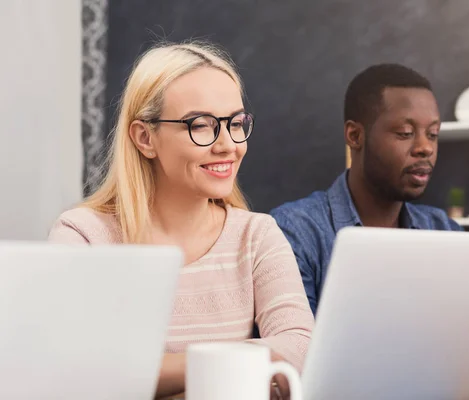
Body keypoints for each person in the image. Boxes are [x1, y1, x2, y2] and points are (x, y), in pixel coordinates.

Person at [48, 41, 314, 399]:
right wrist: (227, 368)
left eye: (236, 123)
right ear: (145, 138)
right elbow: (74, 367)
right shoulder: (83, 236)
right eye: (201, 125)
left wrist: (155, 372)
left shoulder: (256, 235)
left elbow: (300, 347)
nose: (227, 145)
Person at [270, 63, 469, 358]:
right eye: (405, 133)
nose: (425, 148)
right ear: (355, 136)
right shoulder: (293, 231)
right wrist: (466, 337)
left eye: (433, 134)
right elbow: (299, 351)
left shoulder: (442, 229)